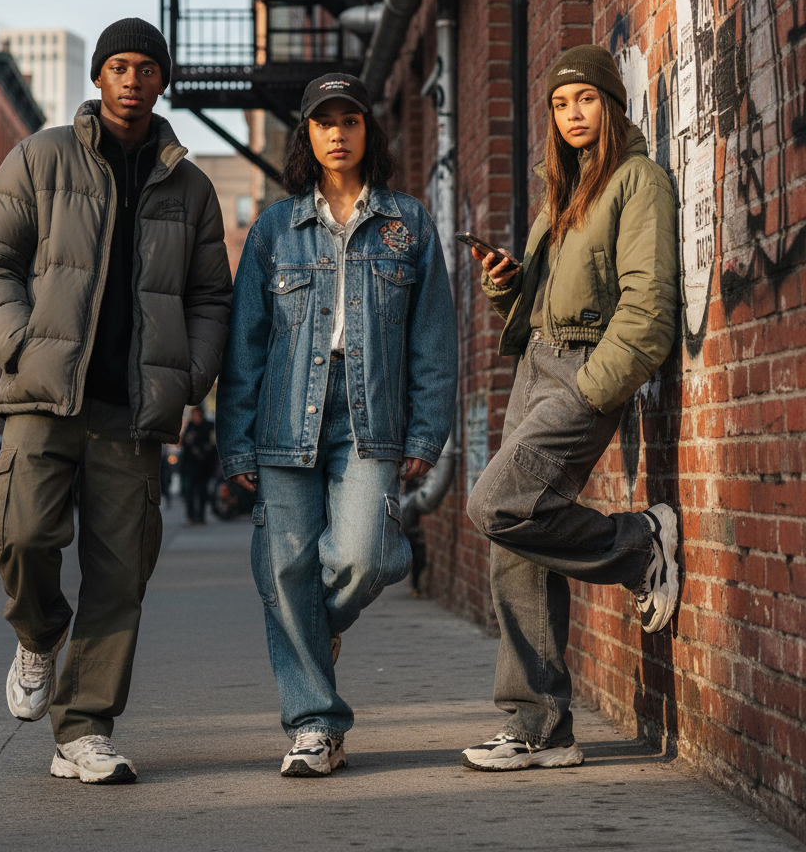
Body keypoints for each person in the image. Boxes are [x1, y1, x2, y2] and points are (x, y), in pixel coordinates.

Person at [0, 18, 232, 785]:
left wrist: (188, 375)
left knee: (121, 575)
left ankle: (83, 730)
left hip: (133, 410)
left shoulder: (191, 186)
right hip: (44, 398)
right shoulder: (40, 157)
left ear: (161, 81)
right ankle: (39, 635)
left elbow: (213, 295)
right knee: (20, 530)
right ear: (99, 78)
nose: (131, 79)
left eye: (146, 68)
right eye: (118, 65)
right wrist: (21, 345)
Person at [216, 73, 456, 777]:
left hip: (370, 415)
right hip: (286, 414)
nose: (338, 132)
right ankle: (315, 726)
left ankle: (313, 636)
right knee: (284, 570)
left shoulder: (408, 224)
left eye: (350, 120)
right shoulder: (273, 229)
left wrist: (425, 436)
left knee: (364, 556)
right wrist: (236, 441)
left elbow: (434, 342)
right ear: (308, 136)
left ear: (366, 132)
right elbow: (245, 345)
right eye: (324, 122)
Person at [460, 44, 680, 772]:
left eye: (584, 99)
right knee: (513, 546)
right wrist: (506, 287)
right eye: (560, 104)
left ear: (611, 105)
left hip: (583, 372)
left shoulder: (637, 182)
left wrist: (593, 390)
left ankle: (641, 545)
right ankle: (539, 726)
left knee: (494, 504)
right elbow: (552, 299)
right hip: (536, 365)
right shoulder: (567, 189)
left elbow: (647, 311)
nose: (571, 114)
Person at [180, 405, 214, 525]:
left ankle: (200, 516)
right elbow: (183, 444)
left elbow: (212, 445)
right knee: (189, 492)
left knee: (202, 493)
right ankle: (190, 516)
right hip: (189, 467)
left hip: (203, 467)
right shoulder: (189, 428)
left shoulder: (208, 427)